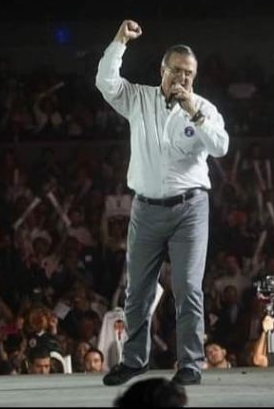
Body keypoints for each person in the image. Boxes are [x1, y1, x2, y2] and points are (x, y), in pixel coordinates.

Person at [96, 20, 230, 387]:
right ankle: (134, 361)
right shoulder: (139, 99)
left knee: (188, 287)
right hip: (146, 208)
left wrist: (194, 112)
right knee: (137, 290)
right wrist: (120, 42)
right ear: (163, 71)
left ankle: (190, 363)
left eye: (189, 74)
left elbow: (220, 147)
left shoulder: (204, 108)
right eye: (177, 71)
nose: (183, 79)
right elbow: (105, 83)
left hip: (190, 210)